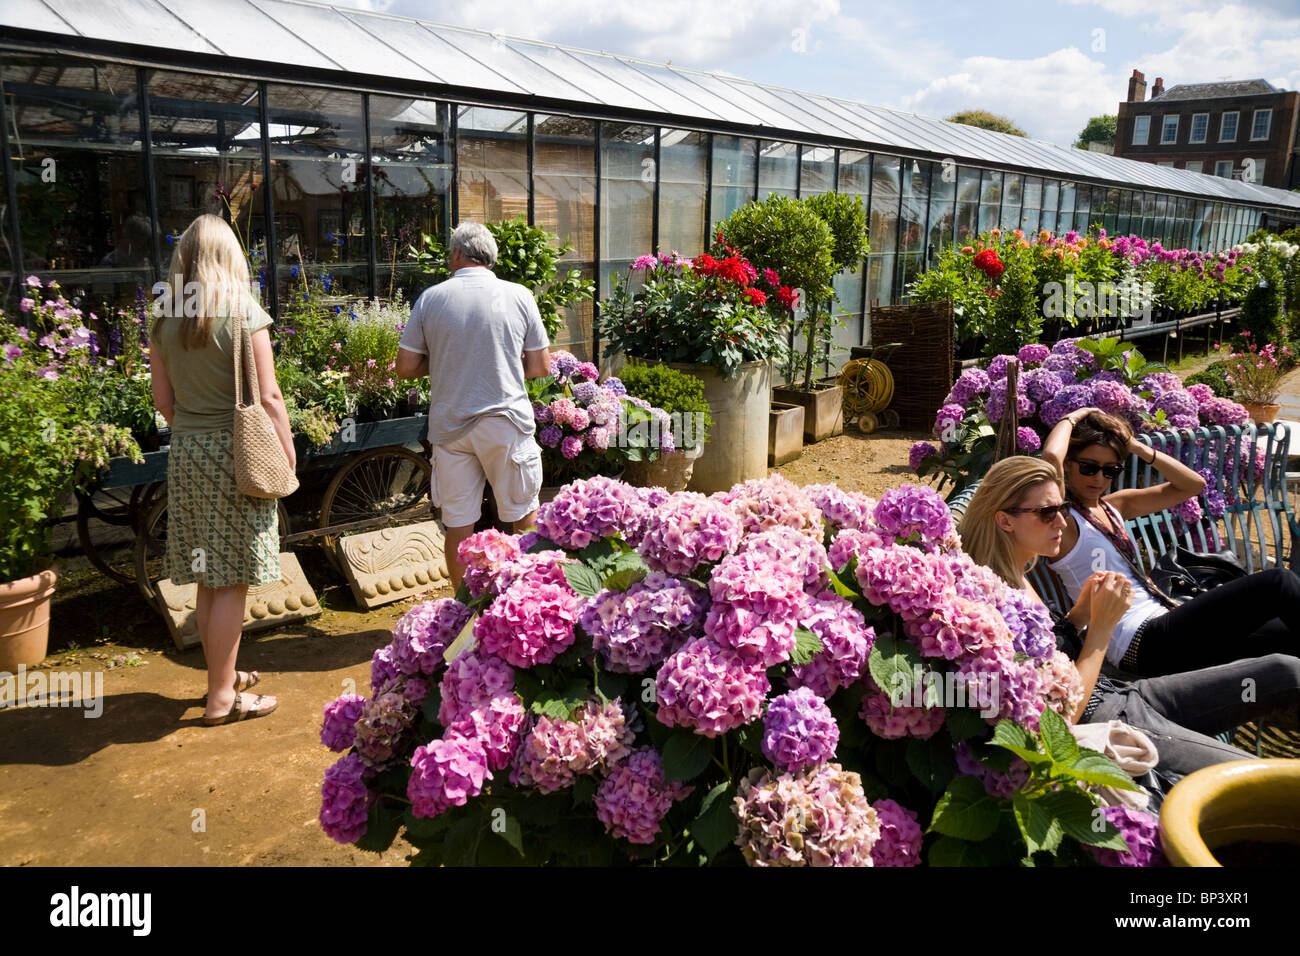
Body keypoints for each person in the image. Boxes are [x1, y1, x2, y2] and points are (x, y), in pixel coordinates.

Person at [959, 456, 1300, 778]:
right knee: (1260, 777)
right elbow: (1056, 723)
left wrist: (1079, 615)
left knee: (1288, 671)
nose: (1062, 520)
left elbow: (1053, 651)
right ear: (1005, 520)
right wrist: (1101, 631)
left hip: (1126, 694)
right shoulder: (994, 599)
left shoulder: (1018, 574)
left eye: (1062, 507)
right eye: (1048, 512)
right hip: (1104, 716)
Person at [150, 214, 290, 726]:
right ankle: (221, 700)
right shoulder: (243, 312)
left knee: (211, 577)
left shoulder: (163, 315)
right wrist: (287, 450)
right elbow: (270, 397)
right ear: (229, 256)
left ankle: (223, 679)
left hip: (187, 453)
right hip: (237, 454)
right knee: (232, 582)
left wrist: (195, 429)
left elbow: (162, 401)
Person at [1041, 408, 1300, 677]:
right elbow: (1050, 458)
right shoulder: (1063, 519)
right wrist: (1074, 417)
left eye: (1110, 470)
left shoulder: (1114, 506)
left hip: (1169, 622)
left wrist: (1134, 445)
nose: (1099, 478)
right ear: (1069, 464)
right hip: (1139, 642)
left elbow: (1192, 485)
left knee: (1283, 634)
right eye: (1088, 467)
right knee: (1278, 583)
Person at [395, 222, 551, 591]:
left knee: (458, 525)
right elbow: (540, 367)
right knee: (523, 516)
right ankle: (524, 603)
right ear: (491, 258)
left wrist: (450, 360)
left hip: (451, 429)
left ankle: (463, 611)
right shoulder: (518, 295)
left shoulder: (432, 298)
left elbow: (405, 367)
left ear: (456, 255)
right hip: (506, 421)